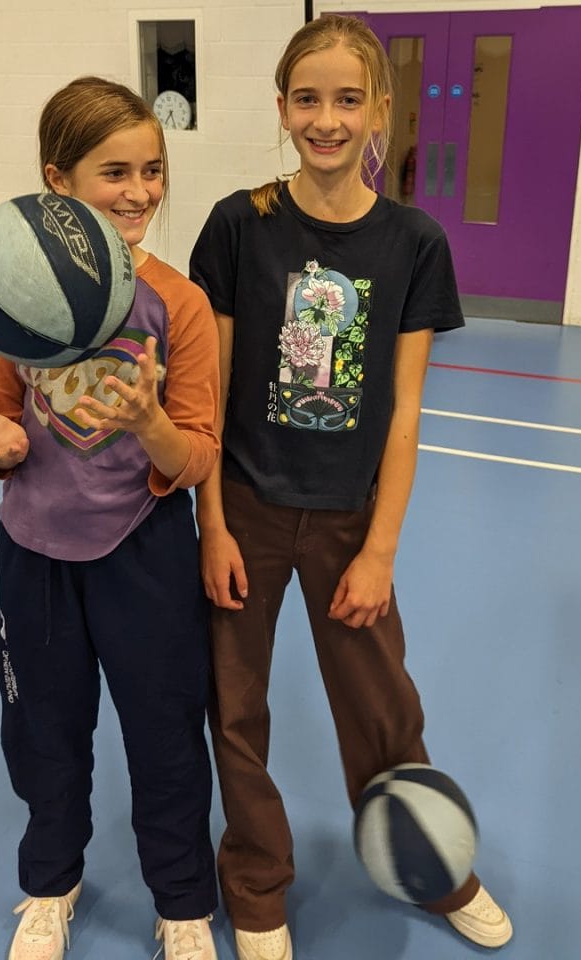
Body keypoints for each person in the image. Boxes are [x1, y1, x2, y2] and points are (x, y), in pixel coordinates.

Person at [189, 15, 513, 960]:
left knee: (383, 707)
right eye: (306, 98)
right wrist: (212, 526)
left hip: (347, 520)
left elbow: (405, 414)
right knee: (236, 709)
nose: (325, 119)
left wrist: (379, 551)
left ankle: (433, 866)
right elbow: (208, 395)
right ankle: (255, 889)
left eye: (346, 99)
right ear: (282, 106)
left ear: (380, 109)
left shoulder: (414, 241)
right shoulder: (239, 224)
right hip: (244, 508)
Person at [0, 76, 221, 960]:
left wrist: (151, 427)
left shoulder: (178, 306)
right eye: (115, 172)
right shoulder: (12, 299)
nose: (141, 191)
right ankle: (50, 884)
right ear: (58, 183)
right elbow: (8, 430)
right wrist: (1, 444)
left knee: (166, 733)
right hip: (34, 552)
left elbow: (200, 457)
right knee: (43, 729)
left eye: (153, 170)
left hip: (146, 552)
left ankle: (181, 903)